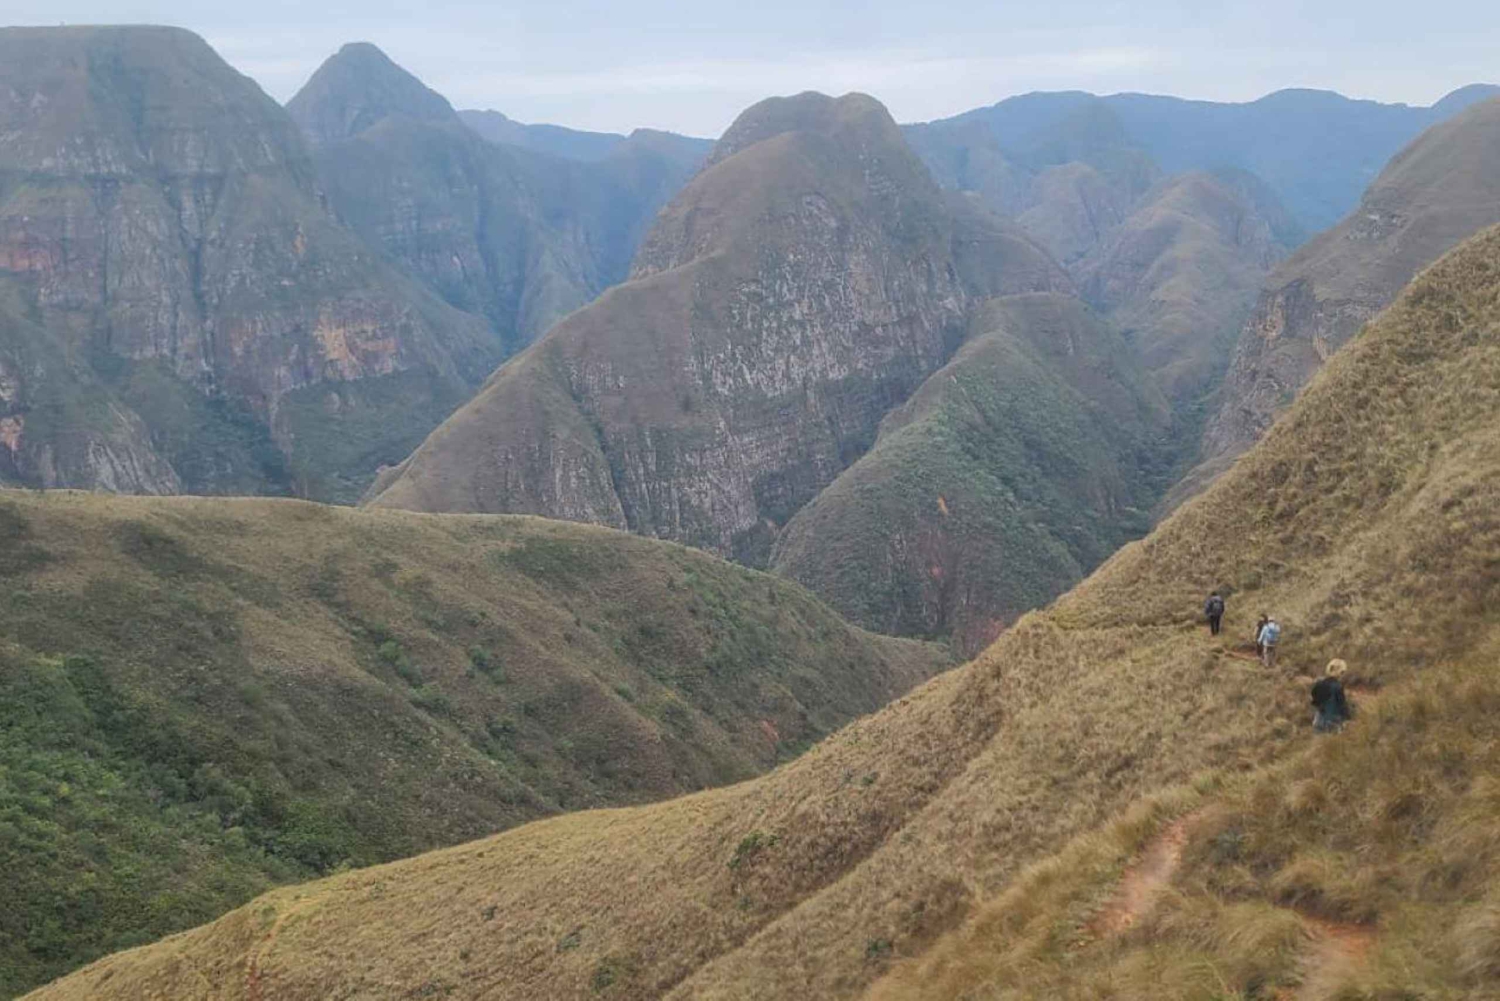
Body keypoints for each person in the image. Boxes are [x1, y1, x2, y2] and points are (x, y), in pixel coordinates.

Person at [1312, 659, 1352, 732]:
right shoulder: (1337, 686)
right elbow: (1341, 705)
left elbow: (1314, 702)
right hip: (1333, 722)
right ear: (1341, 672)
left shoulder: (1319, 683)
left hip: (1319, 720)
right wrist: (1348, 718)